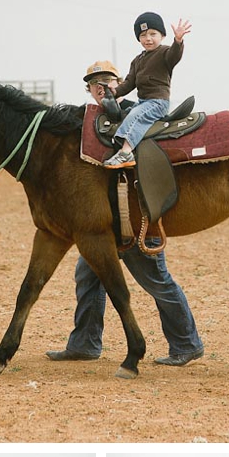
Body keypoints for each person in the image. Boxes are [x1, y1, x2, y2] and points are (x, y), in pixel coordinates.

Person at [46, 63, 204, 367]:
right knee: (87, 275)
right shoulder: (89, 123)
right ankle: (85, 344)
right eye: (95, 83)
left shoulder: (137, 114)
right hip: (103, 224)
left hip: (136, 219)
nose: (101, 86)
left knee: (157, 281)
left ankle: (187, 343)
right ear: (89, 90)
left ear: (121, 83)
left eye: (108, 81)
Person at [103, 12, 191, 169]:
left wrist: (178, 41)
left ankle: (126, 152)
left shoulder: (165, 53)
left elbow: (175, 55)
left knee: (136, 116)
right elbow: (129, 83)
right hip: (143, 102)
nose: (148, 38)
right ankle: (119, 146)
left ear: (162, 36)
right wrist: (115, 91)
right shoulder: (137, 61)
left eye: (153, 34)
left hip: (157, 102)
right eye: (143, 35)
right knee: (126, 114)